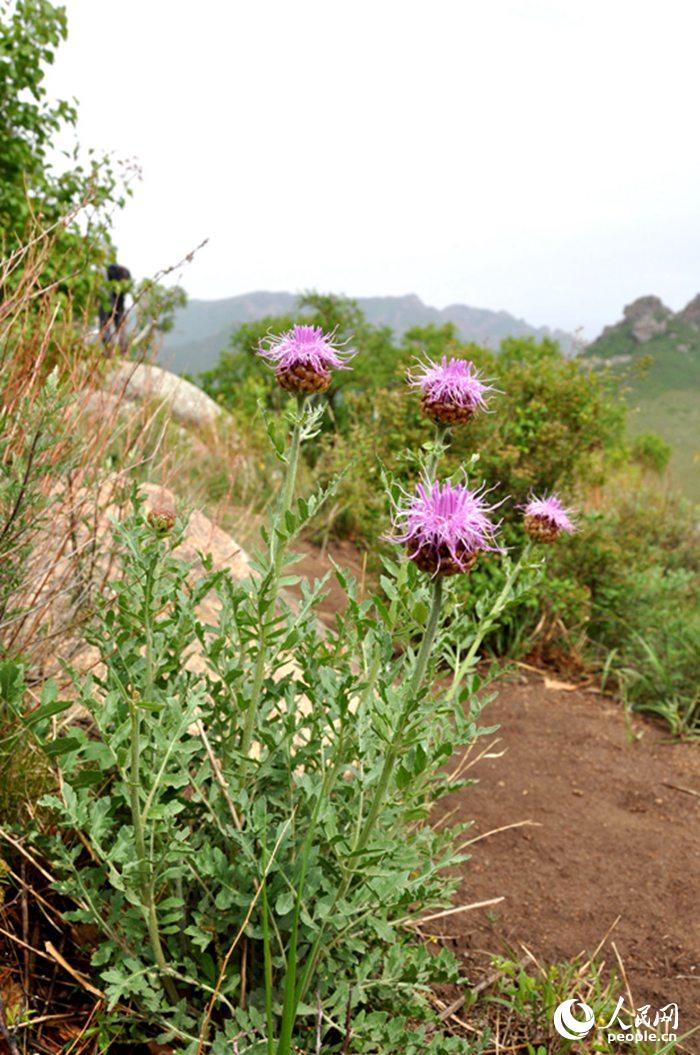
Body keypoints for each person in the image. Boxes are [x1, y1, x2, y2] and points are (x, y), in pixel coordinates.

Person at [98, 262, 131, 355]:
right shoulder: (126, 274)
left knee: (104, 326)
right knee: (120, 326)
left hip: (107, 302)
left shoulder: (107, 271)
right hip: (119, 303)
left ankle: (108, 352)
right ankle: (124, 351)